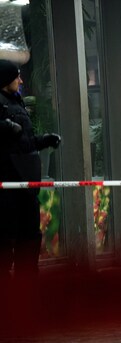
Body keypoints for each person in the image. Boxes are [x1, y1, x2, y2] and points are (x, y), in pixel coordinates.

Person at [0, 59, 61, 283]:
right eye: (17, 76)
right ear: (6, 78)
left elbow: (24, 142)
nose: (21, 80)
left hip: (26, 183)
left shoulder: (17, 103)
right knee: (5, 237)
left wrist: (43, 141)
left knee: (30, 236)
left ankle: (28, 284)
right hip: (6, 184)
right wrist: (5, 127)